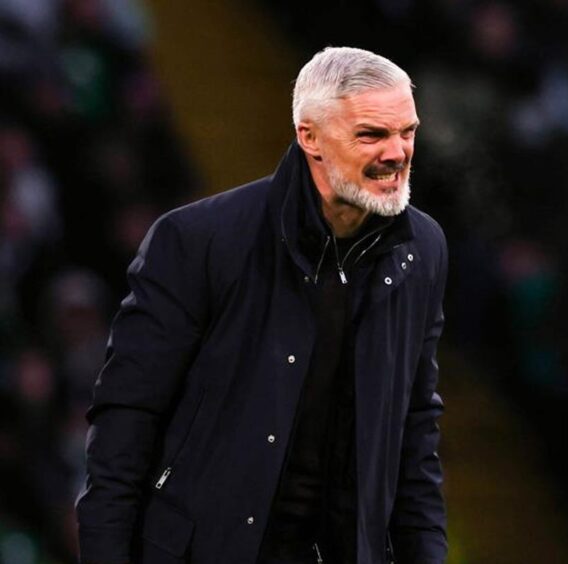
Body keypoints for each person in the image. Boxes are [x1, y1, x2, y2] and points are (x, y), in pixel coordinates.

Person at [75, 47, 448, 564]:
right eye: (371, 135)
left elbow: (414, 431)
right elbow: (127, 418)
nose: (397, 153)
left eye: (407, 132)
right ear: (310, 137)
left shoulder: (423, 249)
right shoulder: (198, 240)